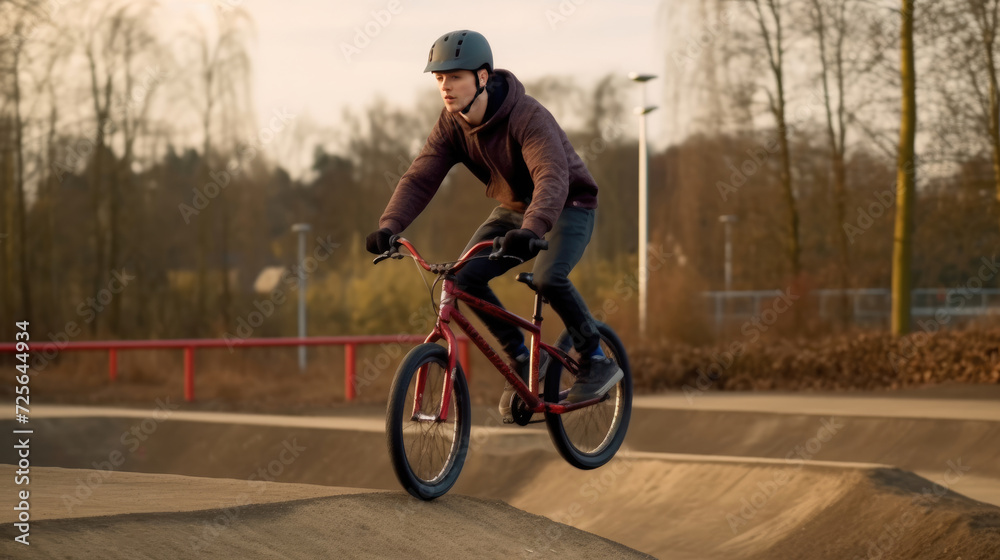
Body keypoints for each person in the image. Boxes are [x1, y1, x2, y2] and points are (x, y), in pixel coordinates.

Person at [366, 30, 621, 422]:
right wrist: (390, 225)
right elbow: (420, 178)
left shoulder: (527, 116)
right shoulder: (451, 124)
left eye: (455, 77)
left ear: (482, 77)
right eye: (439, 78)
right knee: (463, 278)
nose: (445, 87)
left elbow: (552, 178)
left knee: (548, 279)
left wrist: (533, 230)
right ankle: (521, 358)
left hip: (568, 203)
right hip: (516, 208)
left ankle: (596, 357)